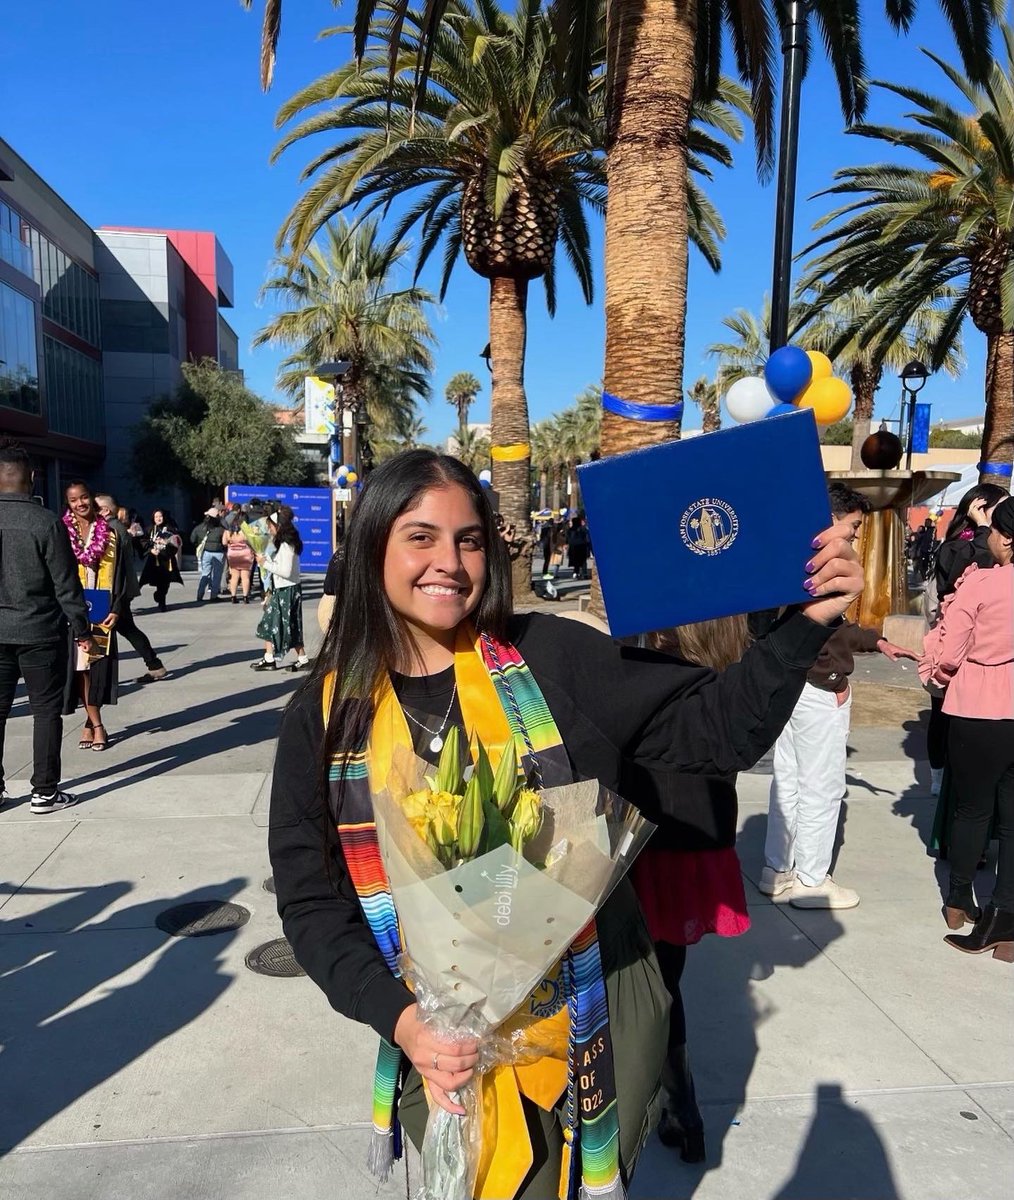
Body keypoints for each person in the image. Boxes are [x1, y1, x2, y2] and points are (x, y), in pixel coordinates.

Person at [268, 450, 863, 1200]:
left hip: (594, 1006)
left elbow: (716, 735)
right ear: (373, 547)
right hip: (432, 1032)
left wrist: (805, 624)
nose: (449, 562)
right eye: (421, 536)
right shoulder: (324, 717)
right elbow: (313, 901)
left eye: (470, 538)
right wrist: (404, 1021)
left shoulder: (550, 657)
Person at [627, 614, 752, 1165]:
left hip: (650, 846)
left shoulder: (655, 675)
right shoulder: (731, 680)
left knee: (640, 989)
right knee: (666, 982)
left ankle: (674, 1107)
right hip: (698, 843)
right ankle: (685, 1114)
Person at [761, 483, 919, 909]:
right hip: (817, 686)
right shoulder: (824, 566)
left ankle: (777, 869)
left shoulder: (790, 562)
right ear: (831, 518)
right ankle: (812, 879)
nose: (854, 536)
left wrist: (876, 640)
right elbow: (825, 631)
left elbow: (831, 626)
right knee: (822, 787)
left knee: (789, 781)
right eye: (851, 527)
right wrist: (834, 678)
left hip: (788, 685)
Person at [920, 496, 1014, 961]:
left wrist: (935, 672)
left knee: (972, 810)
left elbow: (950, 652)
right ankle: (1007, 919)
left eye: (994, 531)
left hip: (980, 706)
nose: (990, 538)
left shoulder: (981, 585)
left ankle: (959, 901)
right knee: (1013, 820)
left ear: (1008, 538)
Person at [0, 441, 96, 813]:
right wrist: (83, 629)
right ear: (33, 478)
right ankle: (44, 791)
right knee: (44, 711)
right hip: (39, 631)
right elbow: (66, 584)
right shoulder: (46, 522)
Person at [924, 483, 1009, 796]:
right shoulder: (958, 547)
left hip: (984, 657)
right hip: (957, 651)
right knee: (944, 718)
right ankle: (937, 775)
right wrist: (986, 529)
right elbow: (975, 574)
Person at [61, 481, 130, 752]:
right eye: (74, 500)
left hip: (102, 605)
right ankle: (96, 724)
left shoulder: (111, 532)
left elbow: (123, 573)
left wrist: (118, 607)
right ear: (68, 504)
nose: (80, 503)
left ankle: (91, 722)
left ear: (91, 498)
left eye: (84, 497)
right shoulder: (62, 533)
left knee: (96, 669)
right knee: (80, 669)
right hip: (73, 607)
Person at [95, 495, 170, 684]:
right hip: (119, 590)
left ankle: (152, 665)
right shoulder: (117, 528)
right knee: (126, 629)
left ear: (105, 510)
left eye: (95, 509)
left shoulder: (111, 530)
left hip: (115, 591)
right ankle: (154, 665)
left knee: (116, 629)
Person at [251, 505, 308, 672]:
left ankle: (297, 658)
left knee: (286, 625)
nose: (269, 528)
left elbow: (286, 571)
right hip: (283, 589)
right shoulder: (283, 544)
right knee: (271, 623)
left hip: (287, 591)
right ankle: (271, 657)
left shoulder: (287, 545)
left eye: (270, 525)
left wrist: (265, 564)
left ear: (279, 526)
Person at [138, 510, 183, 611]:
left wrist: (167, 544)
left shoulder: (171, 529)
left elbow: (176, 543)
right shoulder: (149, 529)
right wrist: (151, 550)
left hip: (166, 560)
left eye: (160, 516)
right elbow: (142, 542)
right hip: (153, 559)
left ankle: (161, 601)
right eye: (156, 517)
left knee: (164, 583)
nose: (158, 519)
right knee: (148, 579)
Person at [192, 508, 227, 602]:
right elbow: (225, 542)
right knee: (217, 575)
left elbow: (192, 539)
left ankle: (200, 594)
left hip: (206, 552)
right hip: (218, 553)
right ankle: (214, 595)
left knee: (205, 574)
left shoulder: (200, 527)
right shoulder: (221, 529)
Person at [223, 519, 255, 604]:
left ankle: (233, 596)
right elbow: (252, 541)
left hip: (233, 554)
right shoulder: (245, 532)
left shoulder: (227, 532)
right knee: (245, 577)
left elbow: (224, 542)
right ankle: (245, 597)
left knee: (234, 576)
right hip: (245, 554)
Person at [566, 515, 591, 580]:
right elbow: (588, 538)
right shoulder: (583, 529)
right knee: (583, 561)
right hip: (582, 546)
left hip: (573, 547)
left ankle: (576, 573)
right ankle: (584, 573)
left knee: (576, 561)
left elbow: (567, 539)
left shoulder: (570, 530)